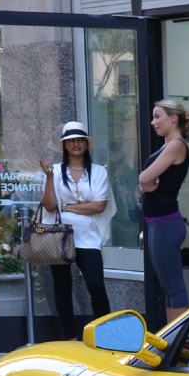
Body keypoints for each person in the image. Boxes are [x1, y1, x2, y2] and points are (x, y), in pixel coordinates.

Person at [38, 120, 114, 331]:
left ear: (87, 143)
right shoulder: (54, 170)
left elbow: (99, 205)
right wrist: (50, 178)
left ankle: (105, 332)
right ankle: (70, 336)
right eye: (71, 140)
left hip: (88, 237)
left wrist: (69, 207)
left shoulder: (99, 171)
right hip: (59, 236)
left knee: (96, 285)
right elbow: (51, 206)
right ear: (64, 145)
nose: (76, 144)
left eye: (81, 139)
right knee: (62, 287)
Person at [138, 99, 189, 326]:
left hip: (165, 223)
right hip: (158, 223)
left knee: (173, 287)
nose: (153, 122)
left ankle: (179, 342)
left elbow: (143, 178)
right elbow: (144, 183)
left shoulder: (176, 145)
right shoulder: (167, 146)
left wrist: (145, 183)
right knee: (169, 288)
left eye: (157, 116)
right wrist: (145, 184)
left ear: (173, 118)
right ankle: (172, 340)